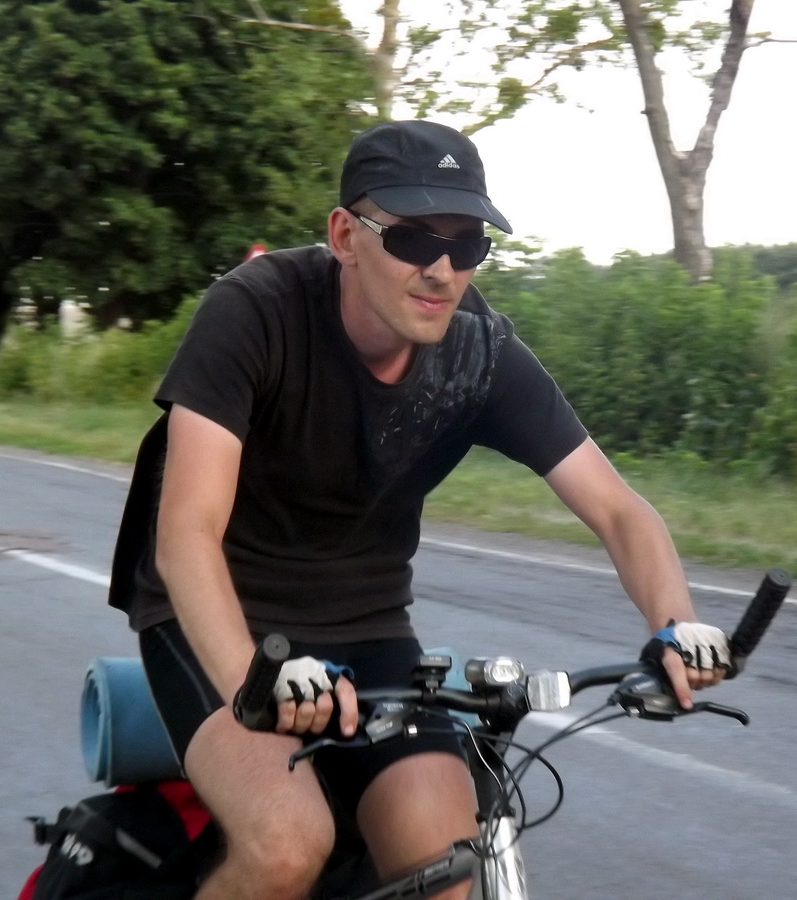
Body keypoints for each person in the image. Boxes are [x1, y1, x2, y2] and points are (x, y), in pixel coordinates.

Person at [109, 119, 730, 900]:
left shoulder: (479, 353)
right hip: (219, 619)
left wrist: (676, 625)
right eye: (411, 240)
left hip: (367, 624)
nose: (441, 269)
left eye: (467, 246)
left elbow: (618, 510)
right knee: (286, 845)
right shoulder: (255, 312)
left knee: (448, 859)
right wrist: (255, 680)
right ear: (345, 235)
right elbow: (186, 534)